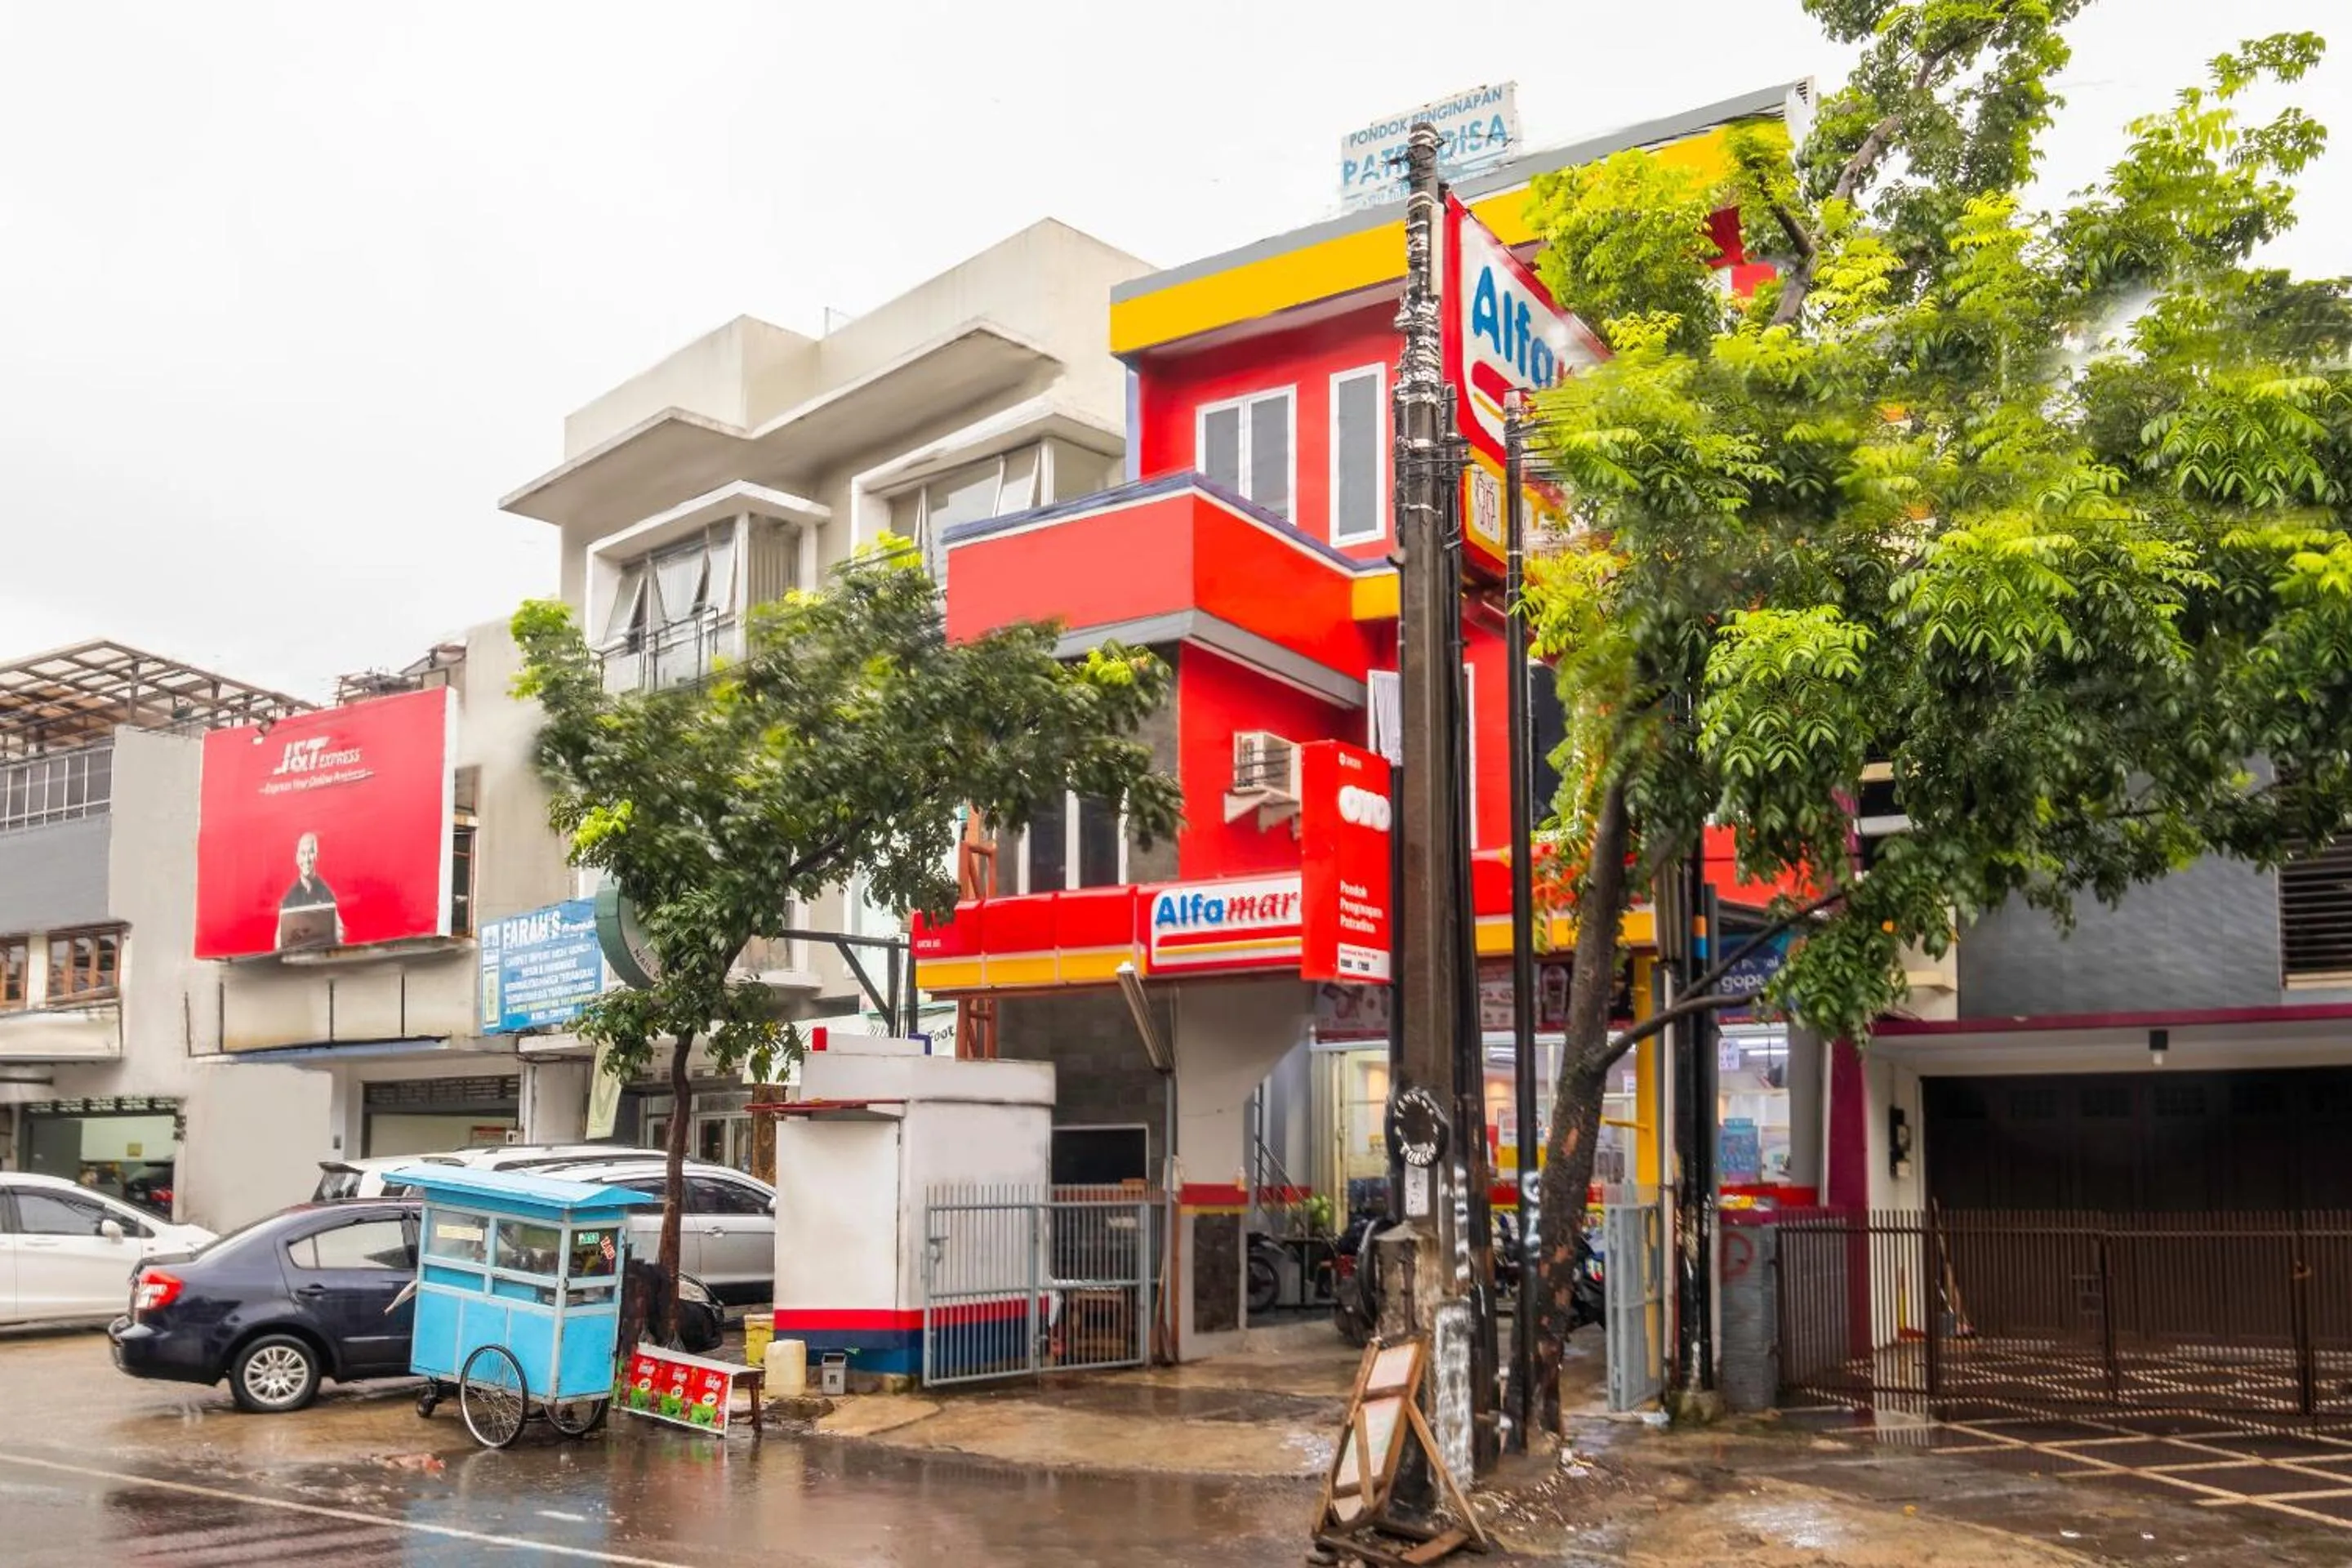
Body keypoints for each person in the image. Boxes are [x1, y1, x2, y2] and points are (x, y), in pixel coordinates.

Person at [275, 831, 345, 950]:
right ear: (297, 859)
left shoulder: (326, 894)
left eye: (311, 852)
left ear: (316, 856)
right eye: (303, 853)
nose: (307, 859)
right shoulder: (289, 900)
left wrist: (338, 934)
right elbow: (279, 942)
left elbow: (339, 933)